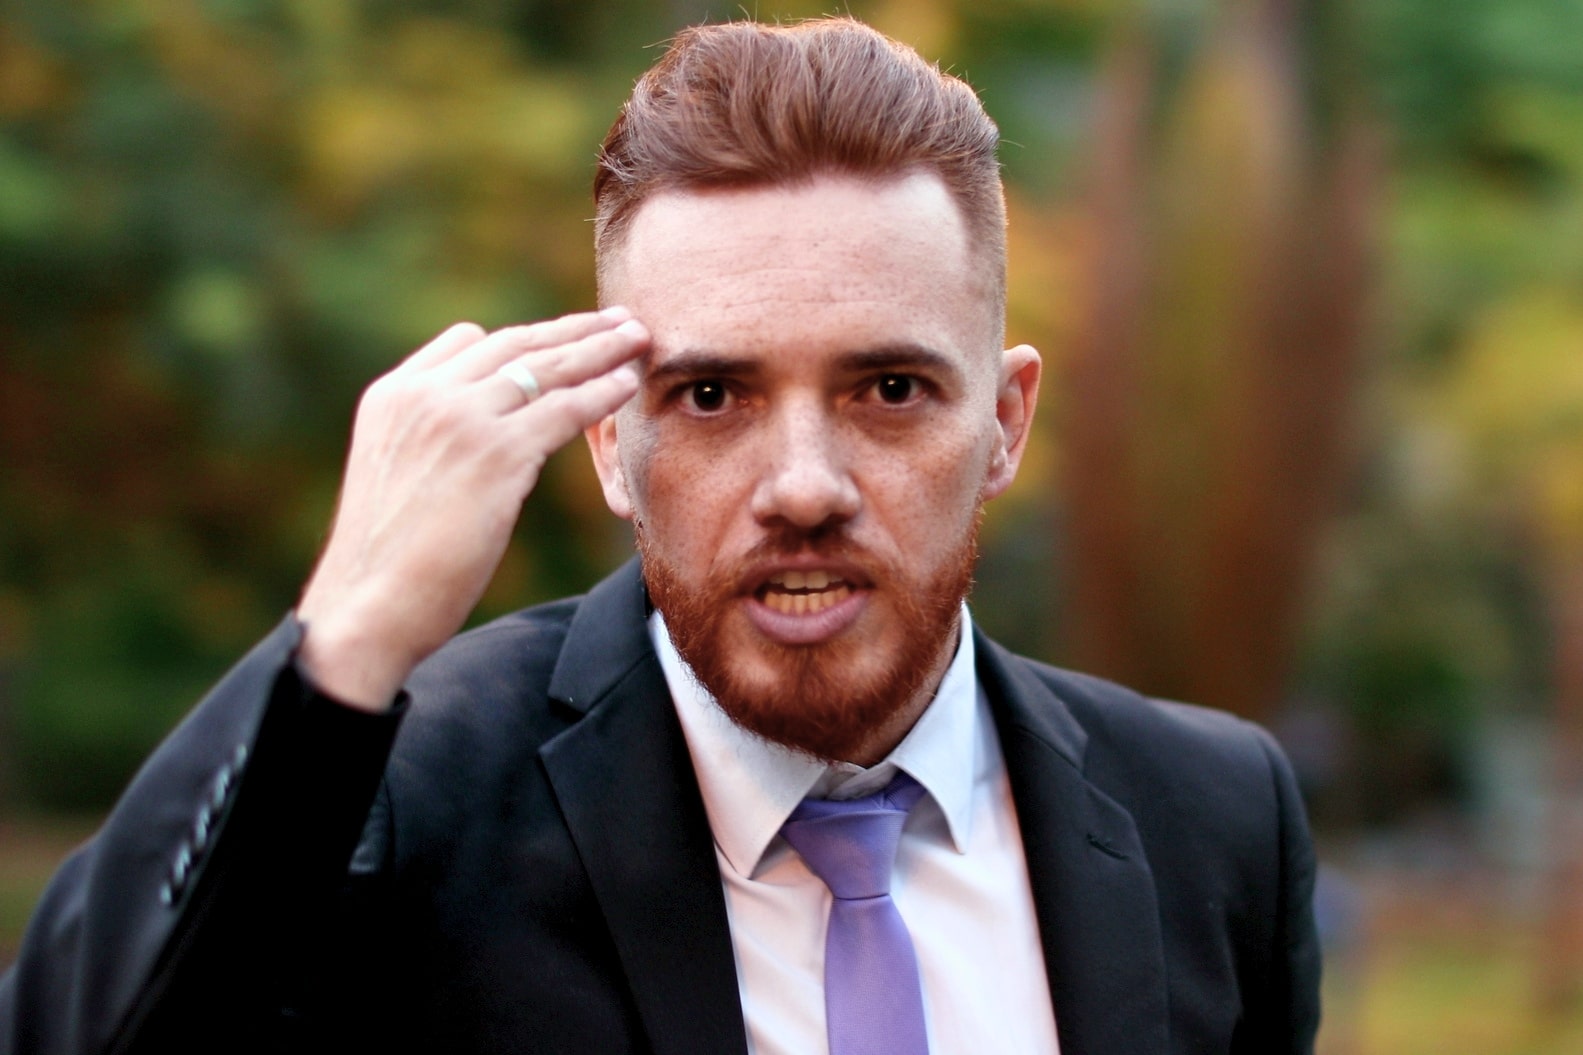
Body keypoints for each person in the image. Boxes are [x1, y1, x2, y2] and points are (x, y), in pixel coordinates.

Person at [0, 16, 1320, 1055]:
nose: (804, 484)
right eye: (709, 396)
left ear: (1010, 421)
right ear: (608, 445)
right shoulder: (406, 798)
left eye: (890, 390)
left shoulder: (1213, 820)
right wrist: (340, 633)